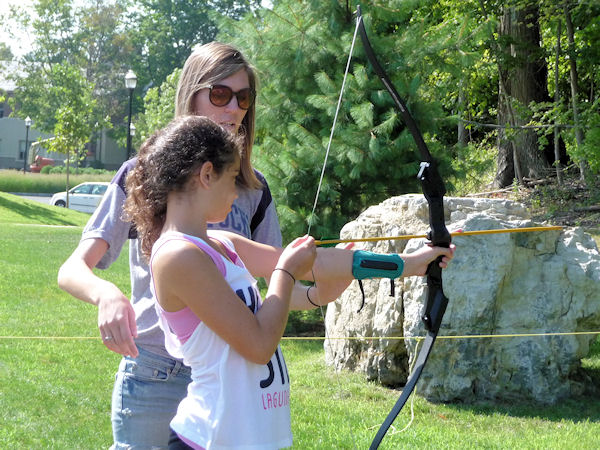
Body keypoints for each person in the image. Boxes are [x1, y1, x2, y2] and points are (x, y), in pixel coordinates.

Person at [123, 115, 456, 449]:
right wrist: (284, 274)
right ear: (207, 174)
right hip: (209, 439)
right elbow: (258, 344)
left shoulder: (223, 243)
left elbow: (317, 262)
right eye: (234, 178)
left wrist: (410, 264)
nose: (237, 193)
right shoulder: (177, 256)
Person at [57, 42, 283, 448]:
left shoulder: (252, 187)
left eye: (243, 97)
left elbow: (278, 278)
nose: (234, 108)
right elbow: (72, 269)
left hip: (230, 381)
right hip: (154, 373)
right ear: (191, 95)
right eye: (220, 94)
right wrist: (106, 295)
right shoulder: (142, 173)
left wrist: (336, 279)